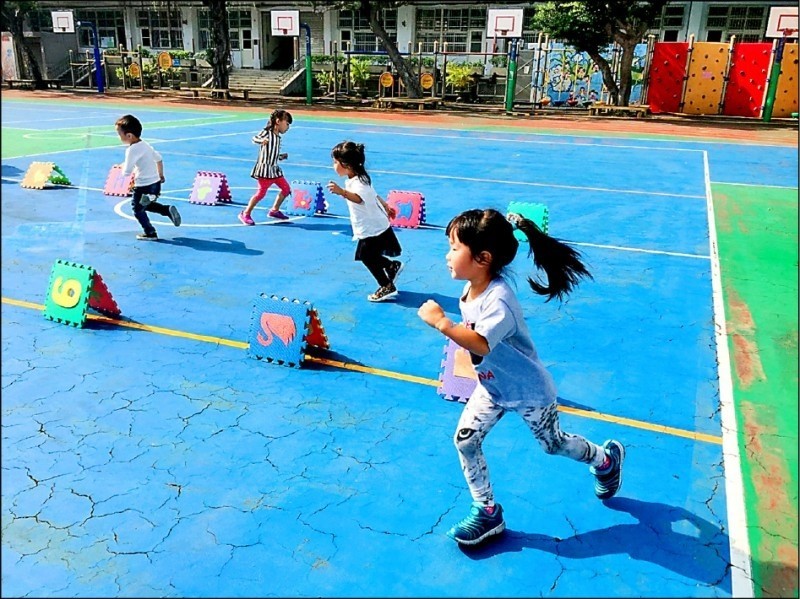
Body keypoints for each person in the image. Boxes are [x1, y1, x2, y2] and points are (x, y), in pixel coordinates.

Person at [417, 208, 625, 546]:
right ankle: (487, 512)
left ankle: (605, 460)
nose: (447, 255)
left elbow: (481, 343)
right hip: (493, 387)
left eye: (455, 248)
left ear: (483, 258)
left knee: (553, 445)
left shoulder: (499, 300)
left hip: (529, 391)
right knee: (466, 440)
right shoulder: (472, 290)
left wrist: (443, 323)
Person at [326, 141, 404, 302]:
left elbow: (359, 198)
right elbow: (374, 195)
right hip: (375, 225)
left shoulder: (357, 183)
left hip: (372, 228)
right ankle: (391, 266)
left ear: (346, 164)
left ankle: (386, 285)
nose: (333, 165)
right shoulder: (359, 178)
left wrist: (342, 192)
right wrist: (385, 205)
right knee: (368, 256)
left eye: (335, 162)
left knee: (367, 257)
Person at [115, 114, 181, 241]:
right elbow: (159, 159)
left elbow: (127, 172)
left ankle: (150, 232)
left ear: (129, 135)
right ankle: (166, 210)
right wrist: (160, 174)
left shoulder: (131, 150)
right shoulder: (145, 145)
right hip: (155, 183)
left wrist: (121, 169)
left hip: (142, 185)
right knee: (146, 205)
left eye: (119, 134)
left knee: (137, 209)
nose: (119, 137)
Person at [238, 109, 293, 225]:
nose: (288, 127)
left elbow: (271, 153)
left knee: (286, 189)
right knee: (261, 193)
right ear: (278, 121)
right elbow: (254, 138)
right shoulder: (267, 132)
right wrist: (261, 140)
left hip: (274, 170)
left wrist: (280, 156)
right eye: (287, 124)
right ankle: (246, 213)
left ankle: (274, 210)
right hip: (265, 170)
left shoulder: (278, 137)